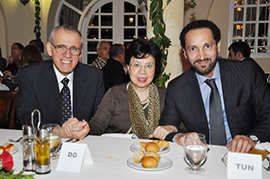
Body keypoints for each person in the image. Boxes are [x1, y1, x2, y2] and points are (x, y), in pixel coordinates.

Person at [150, 20, 270, 153]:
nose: (201, 56)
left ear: (218, 46)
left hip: (246, 155)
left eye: (207, 46)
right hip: (204, 158)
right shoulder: (177, 88)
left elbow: (267, 112)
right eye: (193, 49)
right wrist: (179, 137)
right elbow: (166, 129)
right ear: (184, 53)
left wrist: (251, 138)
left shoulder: (246, 72)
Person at [61, 38, 166, 140]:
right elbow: (97, 126)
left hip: (154, 154)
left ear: (155, 69)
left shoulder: (165, 96)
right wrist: (83, 128)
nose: (142, 71)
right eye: (137, 65)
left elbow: (178, 129)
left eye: (148, 66)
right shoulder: (115, 93)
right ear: (128, 67)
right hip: (116, 155)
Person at [17, 25, 105, 135]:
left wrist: (85, 128)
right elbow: (27, 117)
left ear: (80, 52)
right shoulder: (30, 75)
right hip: (46, 144)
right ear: (50, 49)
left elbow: (99, 121)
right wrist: (56, 131)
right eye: (61, 47)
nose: (68, 55)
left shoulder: (94, 77)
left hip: (83, 144)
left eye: (74, 48)